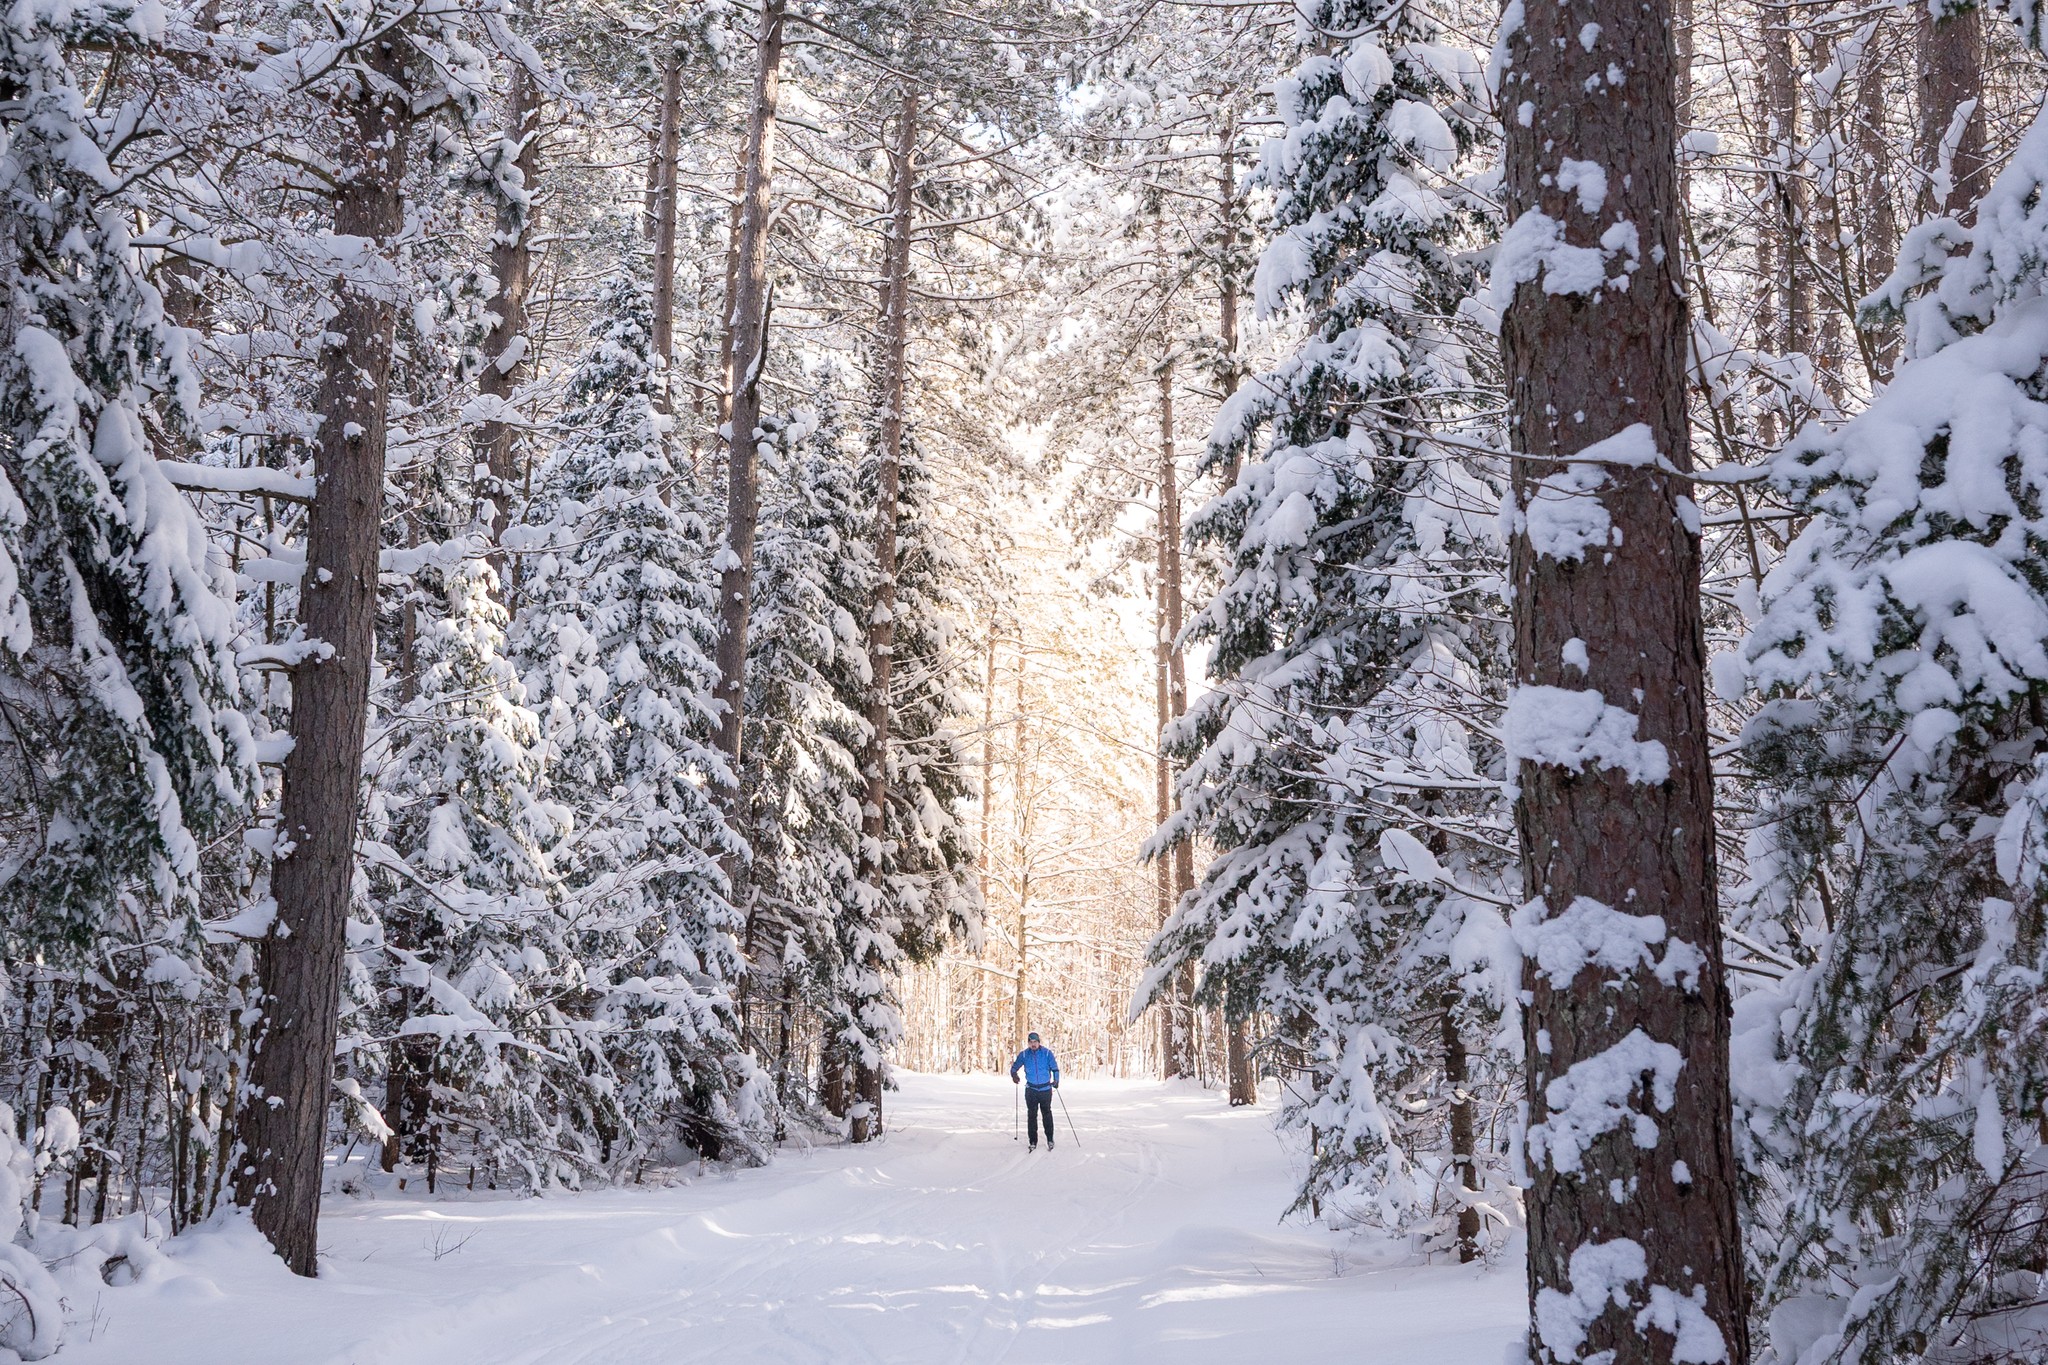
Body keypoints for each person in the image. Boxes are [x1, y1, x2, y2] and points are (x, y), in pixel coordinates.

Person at [1009, 1032, 1060, 1151]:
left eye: (1035, 1042)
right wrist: (1014, 1075)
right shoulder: (1024, 1055)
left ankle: (1050, 1139)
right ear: (1028, 1043)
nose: (1033, 1044)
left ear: (1039, 1042)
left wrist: (1056, 1081)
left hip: (1045, 1089)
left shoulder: (1047, 1053)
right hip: (1031, 1090)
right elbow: (1014, 1067)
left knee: (1047, 1114)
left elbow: (1055, 1069)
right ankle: (1032, 1141)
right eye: (1031, 1042)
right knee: (1031, 1116)